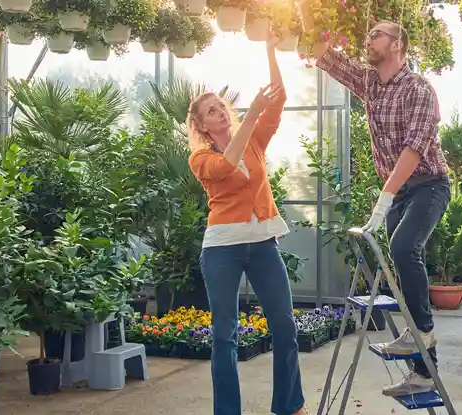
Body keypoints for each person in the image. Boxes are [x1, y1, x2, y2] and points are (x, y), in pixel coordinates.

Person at [296, 1, 451, 398]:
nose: (369, 39)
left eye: (376, 34)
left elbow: (414, 150)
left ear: (398, 44)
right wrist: (302, 8)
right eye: (369, 34)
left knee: (403, 247)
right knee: (399, 261)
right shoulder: (369, 83)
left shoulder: (418, 89)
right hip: (400, 191)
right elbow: (321, 54)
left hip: (429, 185)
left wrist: (382, 203)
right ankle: (422, 373)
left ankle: (424, 334)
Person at [187, 35, 308, 415]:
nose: (220, 112)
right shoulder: (201, 157)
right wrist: (251, 113)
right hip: (221, 249)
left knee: (285, 326)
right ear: (202, 126)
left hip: (262, 244)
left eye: (221, 105)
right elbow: (226, 166)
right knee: (225, 336)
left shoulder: (254, 140)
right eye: (211, 111)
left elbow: (280, 96)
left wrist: (271, 51)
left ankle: (289, 405)